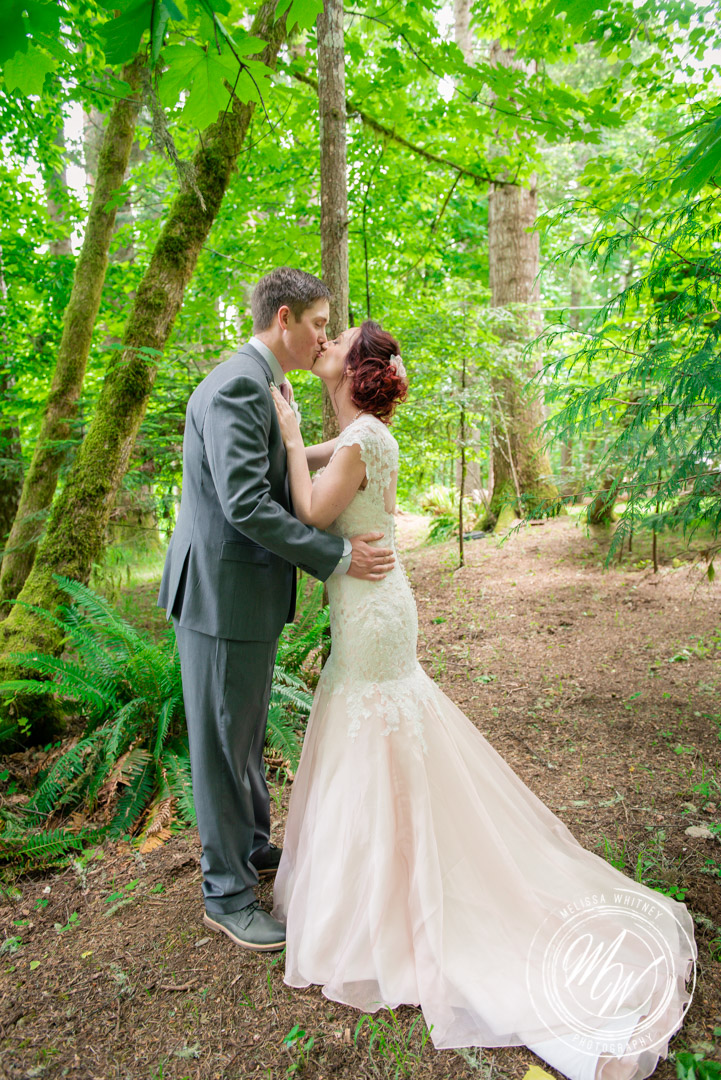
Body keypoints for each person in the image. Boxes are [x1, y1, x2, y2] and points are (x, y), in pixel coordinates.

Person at [270, 320, 697, 1080]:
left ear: (354, 369)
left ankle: (391, 903)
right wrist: (297, 444)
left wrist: (291, 431)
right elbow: (325, 470)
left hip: (371, 614)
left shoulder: (359, 439)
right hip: (378, 606)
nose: (324, 342)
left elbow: (309, 513)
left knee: (373, 734)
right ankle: (391, 882)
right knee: (380, 735)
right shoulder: (366, 436)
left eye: (338, 338)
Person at [157, 270, 395, 953]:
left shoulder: (268, 383)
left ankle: (254, 846)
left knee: (244, 732)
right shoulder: (238, 384)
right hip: (220, 597)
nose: (324, 336)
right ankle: (226, 896)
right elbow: (246, 504)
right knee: (221, 743)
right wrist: (336, 555)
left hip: (245, 595)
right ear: (284, 318)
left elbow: (277, 478)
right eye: (319, 323)